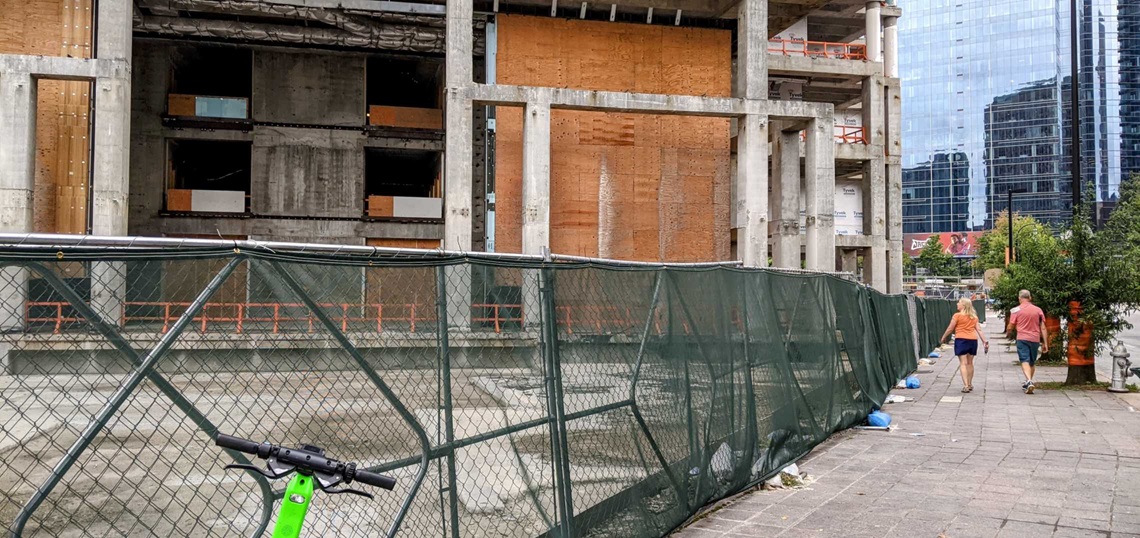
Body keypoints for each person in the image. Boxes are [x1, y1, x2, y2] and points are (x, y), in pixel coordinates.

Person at [940, 298, 989, 393]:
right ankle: (970, 384)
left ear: (964, 305)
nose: (957, 304)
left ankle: (966, 385)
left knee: (963, 363)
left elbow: (950, 328)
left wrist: (944, 337)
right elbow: (979, 330)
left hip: (961, 340)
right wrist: (984, 341)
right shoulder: (974, 317)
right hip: (973, 340)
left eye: (959, 302)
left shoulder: (957, 316)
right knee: (970, 363)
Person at [1007, 289, 1049, 394]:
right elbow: (1043, 327)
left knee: (1024, 359)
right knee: (1031, 361)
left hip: (1022, 338)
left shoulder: (1015, 310)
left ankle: (1029, 381)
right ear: (1030, 298)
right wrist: (1045, 343)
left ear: (1019, 298)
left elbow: (1011, 325)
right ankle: (1028, 381)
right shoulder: (1038, 310)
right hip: (1035, 339)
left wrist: (1009, 331)